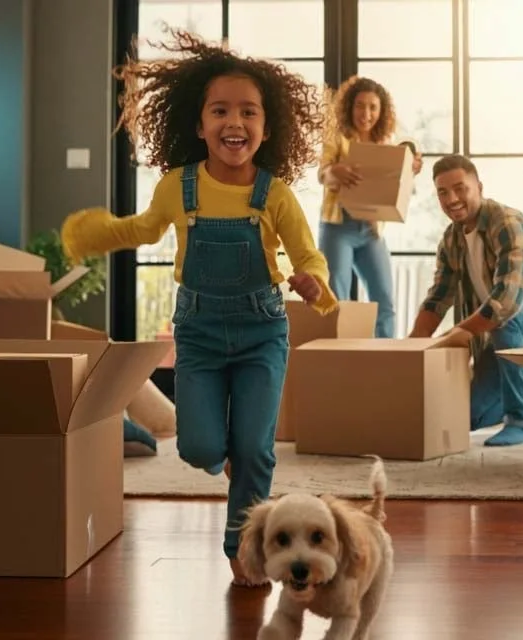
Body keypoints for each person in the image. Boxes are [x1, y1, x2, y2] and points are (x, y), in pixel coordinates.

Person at [60, 28, 337, 587]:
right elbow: (141, 228)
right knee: (200, 446)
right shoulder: (176, 186)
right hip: (201, 334)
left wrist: (315, 283)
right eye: (220, 111)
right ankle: (233, 460)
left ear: (266, 126)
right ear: (198, 123)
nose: (235, 123)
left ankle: (244, 547)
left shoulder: (274, 193)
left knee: (257, 449)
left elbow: (309, 255)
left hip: (262, 332)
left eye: (249, 113)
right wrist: (96, 234)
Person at [408, 154, 523, 447]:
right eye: (442, 192)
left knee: (507, 315)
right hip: (502, 338)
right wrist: (412, 345)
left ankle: (522, 420)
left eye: (460, 188)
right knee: (464, 418)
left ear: (479, 187)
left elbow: (507, 301)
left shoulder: (508, 223)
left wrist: (457, 332)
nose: (452, 199)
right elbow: (437, 298)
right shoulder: (451, 239)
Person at [317, 76, 423, 338]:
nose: (366, 113)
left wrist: (411, 170)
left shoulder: (386, 142)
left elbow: (401, 179)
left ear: (381, 111)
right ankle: (336, 356)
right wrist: (335, 171)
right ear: (350, 107)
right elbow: (322, 175)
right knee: (336, 298)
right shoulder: (337, 137)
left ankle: (384, 359)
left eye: (373, 107)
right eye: (360, 106)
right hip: (338, 226)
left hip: (371, 229)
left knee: (384, 300)